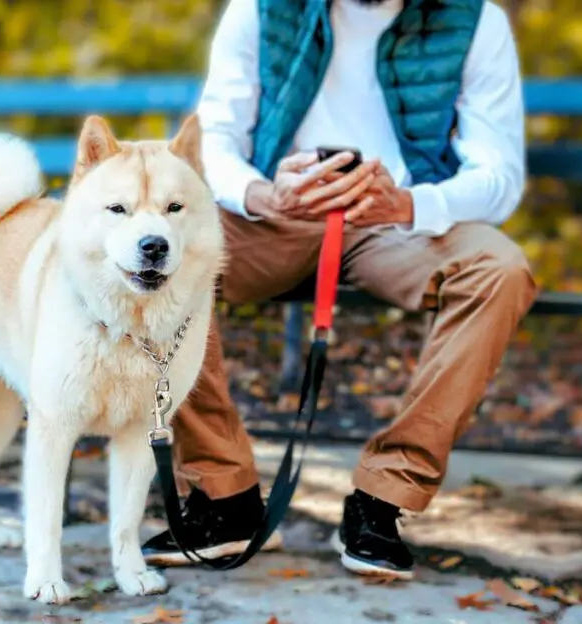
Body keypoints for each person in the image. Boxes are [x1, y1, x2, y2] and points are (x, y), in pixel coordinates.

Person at [141, 0, 537, 579]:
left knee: (499, 271)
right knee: (157, 258)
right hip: (273, 215)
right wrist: (263, 193)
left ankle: (384, 497)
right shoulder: (259, 10)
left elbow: (499, 176)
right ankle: (222, 493)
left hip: (402, 220)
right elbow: (214, 143)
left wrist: (407, 203)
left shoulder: (475, 21)